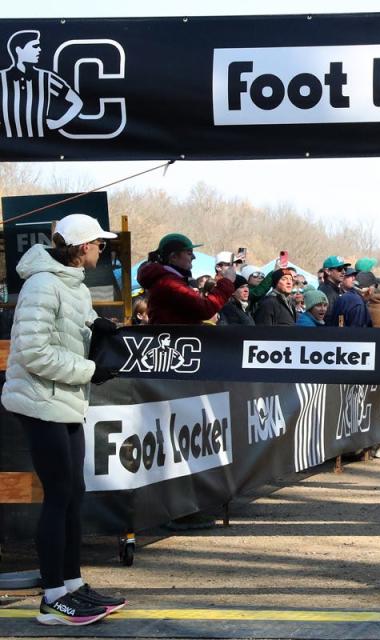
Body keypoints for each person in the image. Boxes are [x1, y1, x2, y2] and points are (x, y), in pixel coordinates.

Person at [1, 214, 126, 626]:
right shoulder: (43, 284)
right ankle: (53, 597)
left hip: (65, 401)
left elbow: (67, 330)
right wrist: (91, 370)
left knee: (73, 492)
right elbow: (33, 353)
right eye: (99, 244)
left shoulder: (71, 283)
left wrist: (98, 329)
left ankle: (71, 585)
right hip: (41, 401)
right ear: (82, 247)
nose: (101, 250)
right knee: (59, 495)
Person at [137, 233, 235, 324]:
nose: (193, 257)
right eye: (189, 253)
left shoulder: (169, 280)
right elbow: (204, 309)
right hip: (174, 340)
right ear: (174, 257)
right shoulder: (169, 283)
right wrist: (227, 281)